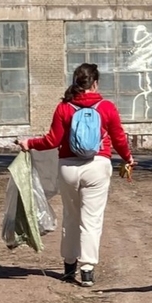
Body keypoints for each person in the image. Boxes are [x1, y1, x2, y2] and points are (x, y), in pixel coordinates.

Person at [19, 63, 135, 288]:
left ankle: (69, 264)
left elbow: (52, 140)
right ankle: (87, 269)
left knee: (71, 217)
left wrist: (28, 143)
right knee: (91, 219)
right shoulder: (107, 107)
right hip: (97, 166)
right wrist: (128, 158)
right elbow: (119, 138)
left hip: (68, 168)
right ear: (95, 83)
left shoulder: (64, 107)